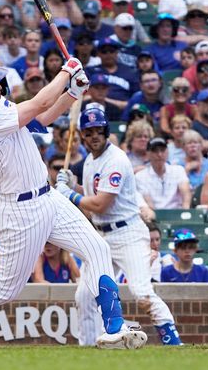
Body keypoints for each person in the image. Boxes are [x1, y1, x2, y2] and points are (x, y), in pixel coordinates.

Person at [0, 54, 148, 350]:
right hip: (20, 208)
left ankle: (115, 327)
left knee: (97, 248)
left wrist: (71, 93)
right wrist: (66, 73)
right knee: (6, 288)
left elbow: (40, 119)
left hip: (47, 196)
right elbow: (39, 104)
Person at [58, 106, 181, 344]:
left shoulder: (116, 159)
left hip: (128, 233)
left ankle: (172, 340)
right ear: (82, 135)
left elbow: (101, 203)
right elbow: (93, 195)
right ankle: (89, 345)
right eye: (89, 131)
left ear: (106, 131)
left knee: (141, 292)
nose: (94, 135)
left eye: (98, 130)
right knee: (84, 294)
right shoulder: (90, 161)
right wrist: (73, 187)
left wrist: (68, 194)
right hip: (102, 235)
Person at [137, 137, 192, 210]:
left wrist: (185, 212)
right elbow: (149, 203)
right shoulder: (140, 176)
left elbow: (186, 194)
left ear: (167, 151)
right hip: (154, 215)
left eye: (162, 150)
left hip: (177, 214)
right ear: (148, 153)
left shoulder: (178, 170)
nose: (159, 154)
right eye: (155, 151)